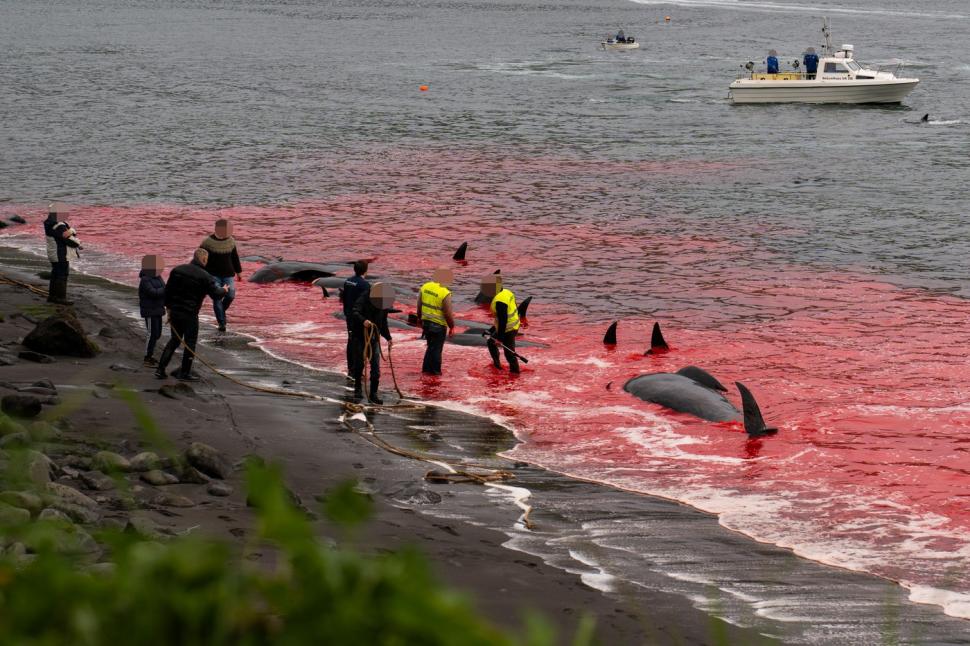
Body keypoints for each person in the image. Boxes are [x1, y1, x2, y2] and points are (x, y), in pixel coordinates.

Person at [155, 248, 227, 381]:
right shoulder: (205, 276)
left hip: (175, 311)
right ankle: (185, 373)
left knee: (174, 340)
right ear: (204, 260)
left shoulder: (177, 270)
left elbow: (168, 291)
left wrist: (168, 309)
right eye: (207, 260)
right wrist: (224, 290)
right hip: (190, 314)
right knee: (190, 343)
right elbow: (216, 295)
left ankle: (160, 370)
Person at [350, 282, 394, 404]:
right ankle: (358, 388)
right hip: (360, 336)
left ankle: (373, 393)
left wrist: (388, 338)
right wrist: (363, 321)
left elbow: (383, 323)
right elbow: (355, 312)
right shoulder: (364, 297)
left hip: (374, 338)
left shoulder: (384, 303)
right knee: (359, 365)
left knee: (376, 368)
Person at [200, 219, 242, 332]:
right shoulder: (207, 242)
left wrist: (239, 272)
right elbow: (201, 258)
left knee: (230, 295)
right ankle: (222, 323)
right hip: (213, 275)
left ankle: (221, 312)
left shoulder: (231, 241)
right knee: (217, 298)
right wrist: (201, 273)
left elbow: (235, 257)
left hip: (228, 274)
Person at [417, 267, 456, 375]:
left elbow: (419, 305)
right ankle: (435, 372)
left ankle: (426, 370)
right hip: (438, 326)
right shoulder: (445, 292)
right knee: (436, 350)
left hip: (426, 323)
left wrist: (419, 319)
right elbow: (448, 313)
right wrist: (452, 326)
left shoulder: (425, 287)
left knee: (430, 347)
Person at [481, 274, 521, 374]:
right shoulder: (506, 292)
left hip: (509, 328)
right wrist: (491, 331)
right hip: (511, 325)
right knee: (491, 341)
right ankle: (497, 365)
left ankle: (515, 373)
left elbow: (503, 320)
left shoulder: (500, 301)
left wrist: (499, 338)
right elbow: (502, 318)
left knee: (509, 354)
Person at [43, 207, 81, 305]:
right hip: (60, 253)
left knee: (55, 274)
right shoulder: (59, 225)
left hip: (53, 253)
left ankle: (52, 297)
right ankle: (60, 298)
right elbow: (70, 240)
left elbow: (66, 235)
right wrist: (78, 242)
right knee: (62, 275)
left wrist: (71, 231)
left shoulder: (49, 223)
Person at [339, 260, 370, 378]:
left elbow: (344, 298)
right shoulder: (365, 285)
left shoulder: (348, 281)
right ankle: (357, 371)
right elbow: (366, 303)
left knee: (351, 341)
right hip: (359, 318)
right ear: (366, 270)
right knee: (359, 344)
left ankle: (350, 368)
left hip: (349, 315)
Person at [139, 255, 166, 367]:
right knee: (151, 334)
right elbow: (153, 293)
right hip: (149, 310)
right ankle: (147, 357)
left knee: (157, 334)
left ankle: (150, 355)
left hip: (158, 309)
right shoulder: (145, 279)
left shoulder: (158, 277)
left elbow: (163, 291)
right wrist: (165, 290)